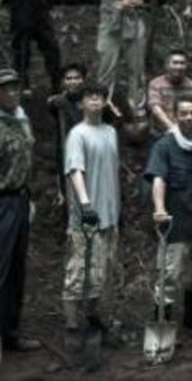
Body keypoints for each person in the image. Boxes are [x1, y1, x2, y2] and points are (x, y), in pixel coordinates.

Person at [145, 96, 192, 330]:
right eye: (184, 113)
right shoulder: (164, 146)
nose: (189, 117)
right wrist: (159, 209)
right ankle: (162, 326)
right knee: (169, 275)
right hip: (175, 223)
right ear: (176, 117)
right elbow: (158, 179)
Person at [62, 82, 121, 346]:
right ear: (81, 103)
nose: (96, 100)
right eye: (90, 96)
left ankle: (94, 321)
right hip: (86, 217)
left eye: (100, 96)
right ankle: (72, 328)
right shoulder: (77, 134)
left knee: (102, 273)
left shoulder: (110, 132)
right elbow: (75, 170)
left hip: (109, 215)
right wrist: (85, 204)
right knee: (78, 272)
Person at [0, 69, 41, 354]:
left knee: (16, 270)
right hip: (2, 201)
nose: (12, 93)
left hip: (21, 199)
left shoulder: (22, 120)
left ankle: (10, 333)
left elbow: (27, 160)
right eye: (6, 89)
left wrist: (30, 197)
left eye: (15, 88)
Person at [96, 0, 151, 111]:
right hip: (110, 24)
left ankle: (137, 108)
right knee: (106, 67)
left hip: (133, 23)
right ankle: (102, 107)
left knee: (137, 69)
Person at [47, 63, 87, 208]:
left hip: (88, 151)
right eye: (69, 78)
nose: (73, 82)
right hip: (67, 152)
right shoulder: (59, 101)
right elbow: (51, 105)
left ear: (83, 79)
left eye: (77, 78)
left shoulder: (90, 99)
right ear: (63, 82)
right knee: (69, 190)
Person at [146, 49, 192, 137]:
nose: (178, 66)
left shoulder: (191, 85)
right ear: (167, 65)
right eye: (175, 63)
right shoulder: (156, 84)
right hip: (161, 132)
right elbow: (155, 108)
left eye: (182, 63)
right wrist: (172, 128)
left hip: (186, 132)